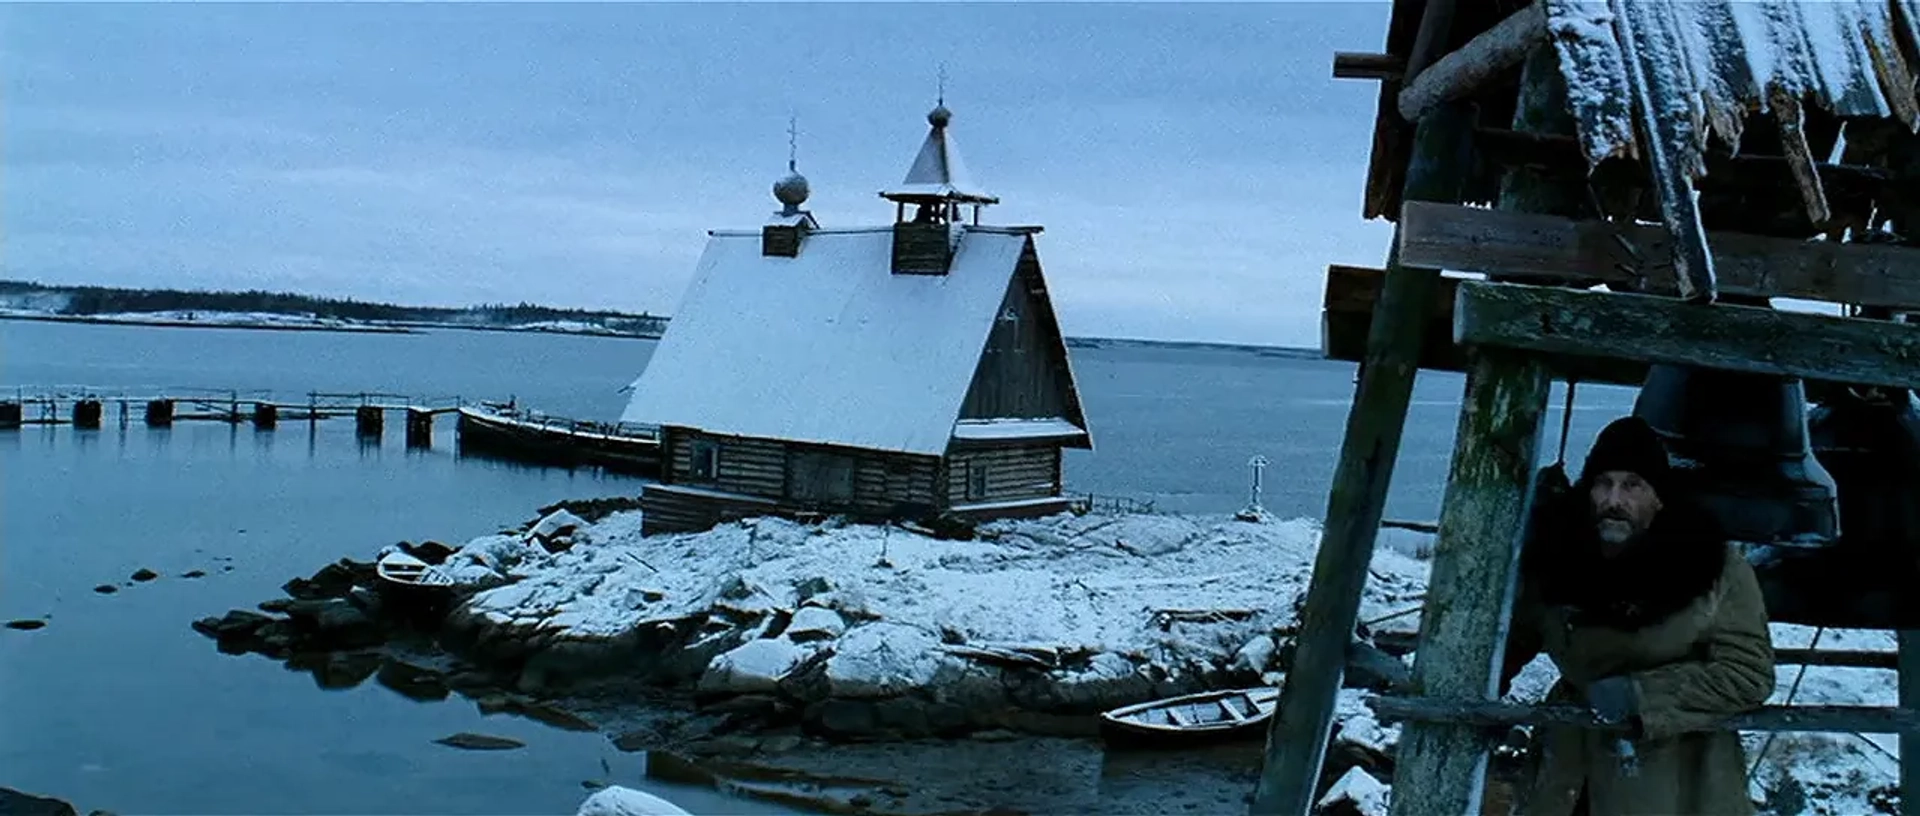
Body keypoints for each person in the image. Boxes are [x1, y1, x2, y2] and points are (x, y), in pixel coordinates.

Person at [1500, 416, 1777, 815]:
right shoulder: (1559, 559)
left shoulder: (1711, 568)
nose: (1614, 500)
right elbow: (1515, 636)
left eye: (1632, 485)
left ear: (1658, 497)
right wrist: (1477, 686)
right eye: (1603, 483)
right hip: (1570, 768)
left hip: (1676, 775)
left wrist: (1639, 694)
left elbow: (1747, 674)